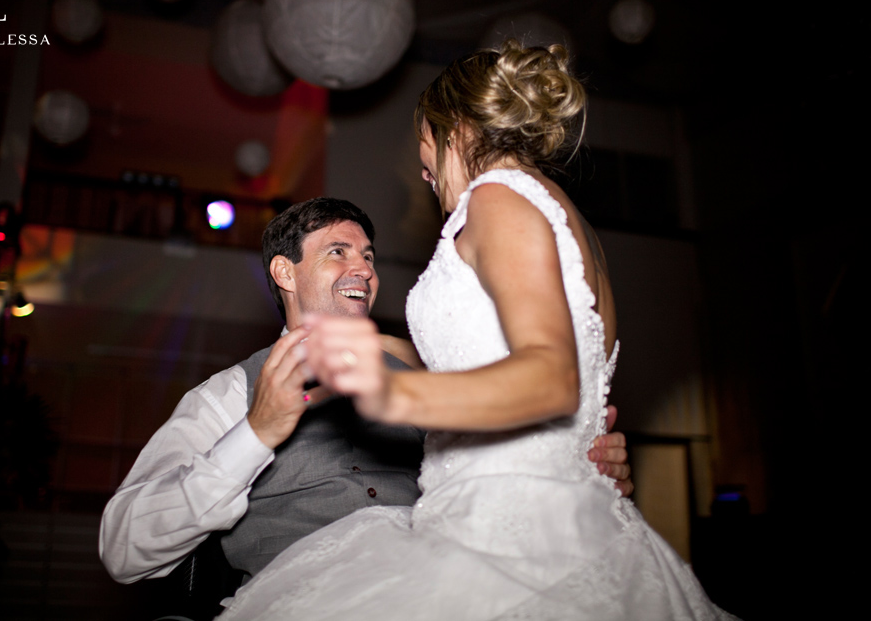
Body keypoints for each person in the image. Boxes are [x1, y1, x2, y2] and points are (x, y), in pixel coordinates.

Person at [217, 42, 734, 620]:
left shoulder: (496, 199)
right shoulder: (569, 222)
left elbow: (552, 375)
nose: (424, 172)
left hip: (501, 534)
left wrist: (392, 391)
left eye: (426, 151)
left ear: (455, 129)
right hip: (565, 520)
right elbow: (498, 351)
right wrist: (382, 346)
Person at [99, 198, 632, 599]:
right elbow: (123, 547)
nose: (365, 270)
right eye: (338, 252)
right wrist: (256, 432)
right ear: (285, 272)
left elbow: (493, 490)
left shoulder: (424, 380)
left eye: (368, 256)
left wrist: (581, 477)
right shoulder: (229, 393)